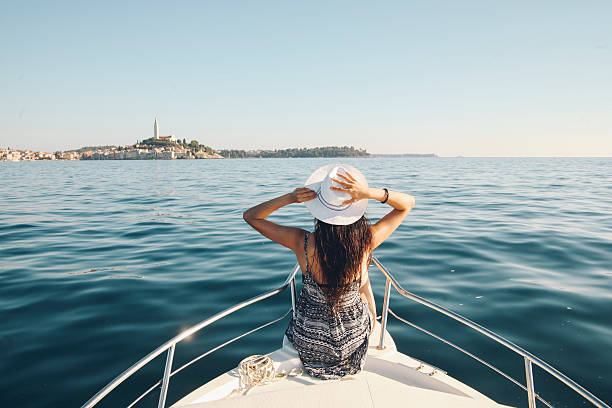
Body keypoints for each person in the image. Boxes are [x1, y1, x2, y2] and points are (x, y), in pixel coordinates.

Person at [243, 164, 415, 379]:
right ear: (357, 207)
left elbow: (251, 216)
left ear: (318, 208)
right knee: (363, 284)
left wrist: (289, 198)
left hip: (309, 338)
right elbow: (407, 204)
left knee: (359, 285)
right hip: (353, 338)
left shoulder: (301, 242)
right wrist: (370, 193)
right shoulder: (367, 241)